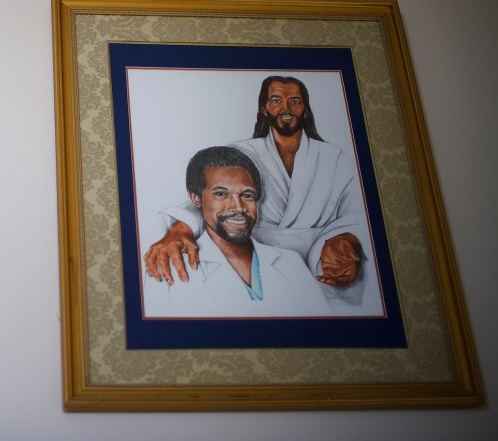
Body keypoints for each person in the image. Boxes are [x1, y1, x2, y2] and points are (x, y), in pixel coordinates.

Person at [144, 76, 372, 308]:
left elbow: (358, 214)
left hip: (323, 267)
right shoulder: (241, 153)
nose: (286, 108)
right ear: (264, 108)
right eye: (276, 100)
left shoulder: (335, 158)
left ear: (305, 110)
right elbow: (208, 198)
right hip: (251, 255)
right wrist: (179, 230)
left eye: (294, 101)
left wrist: (344, 239)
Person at [143, 146, 328, 317]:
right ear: (196, 198)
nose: (238, 207)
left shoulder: (291, 263)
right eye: (221, 194)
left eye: (247, 195)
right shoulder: (169, 268)